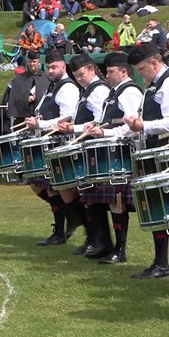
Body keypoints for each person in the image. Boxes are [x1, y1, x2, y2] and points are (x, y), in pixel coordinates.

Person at [125, 43, 169, 278]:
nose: (140, 74)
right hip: (155, 151)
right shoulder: (153, 85)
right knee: (156, 207)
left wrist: (143, 125)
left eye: (142, 68)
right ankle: (163, 262)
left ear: (155, 63)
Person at [81, 52, 144, 263]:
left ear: (124, 71)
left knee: (117, 202)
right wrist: (95, 126)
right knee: (109, 202)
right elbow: (108, 120)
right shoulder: (114, 92)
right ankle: (109, 246)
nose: (107, 76)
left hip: (122, 154)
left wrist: (105, 133)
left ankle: (120, 249)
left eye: (111, 72)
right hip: (110, 153)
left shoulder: (130, 91)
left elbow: (132, 125)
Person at [57, 53, 112, 257]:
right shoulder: (87, 89)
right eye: (76, 76)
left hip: (95, 148)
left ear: (91, 69)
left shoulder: (98, 90)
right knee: (89, 198)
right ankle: (96, 241)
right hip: (87, 148)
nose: (79, 78)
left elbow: (99, 121)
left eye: (82, 74)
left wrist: (73, 128)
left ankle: (100, 242)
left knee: (94, 199)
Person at [25, 49, 80, 246]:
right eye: (48, 67)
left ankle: (65, 224)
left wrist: (40, 124)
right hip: (47, 143)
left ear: (63, 66)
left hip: (60, 143)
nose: (50, 70)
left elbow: (67, 118)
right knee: (40, 185)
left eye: (54, 66)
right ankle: (66, 221)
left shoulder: (67, 87)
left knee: (55, 188)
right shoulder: (52, 86)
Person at [7, 50, 49, 127]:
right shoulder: (19, 79)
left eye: (34, 62)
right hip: (23, 117)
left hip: (42, 117)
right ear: (27, 63)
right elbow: (14, 98)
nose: (32, 64)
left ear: (39, 63)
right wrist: (26, 99)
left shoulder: (46, 77)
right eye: (30, 62)